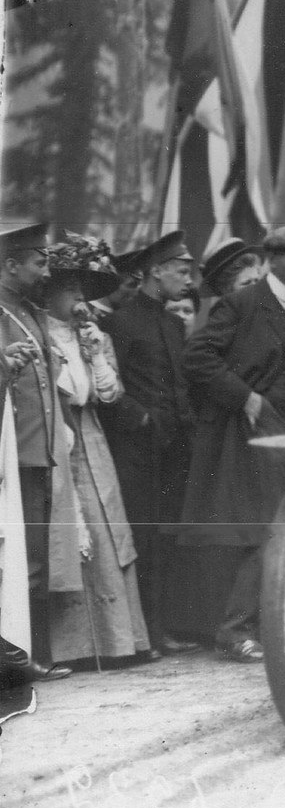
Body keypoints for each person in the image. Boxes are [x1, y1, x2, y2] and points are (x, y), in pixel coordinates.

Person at [183, 226, 285, 663]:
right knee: (268, 529)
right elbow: (197, 358)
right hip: (259, 436)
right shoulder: (244, 303)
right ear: (271, 260)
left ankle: (267, 625)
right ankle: (235, 631)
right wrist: (246, 397)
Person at [43, 238, 152, 668]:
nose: (79, 300)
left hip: (92, 434)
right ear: (50, 294)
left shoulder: (94, 336)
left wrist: (94, 352)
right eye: (70, 290)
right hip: (60, 436)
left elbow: (110, 394)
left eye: (84, 291)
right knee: (74, 529)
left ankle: (121, 640)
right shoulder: (40, 332)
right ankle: (76, 646)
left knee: (109, 528)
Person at [98, 230, 201, 657]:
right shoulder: (119, 322)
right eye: (181, 269)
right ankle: (145, 635)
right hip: (137, 451)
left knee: (170, 536)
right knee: (144, 536)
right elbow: (108, 388)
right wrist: (140, 419)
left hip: (175, 448)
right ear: (155, 272)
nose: (189, 278)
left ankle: (166, 629)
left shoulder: (174, 324)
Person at [0, 221, 76, 677]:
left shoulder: (28, 312)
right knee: (18, 560)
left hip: (40, 452)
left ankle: (34, 656)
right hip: (12, 456)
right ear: (10, 265)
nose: (46, 269)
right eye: (39, 260)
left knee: (37, 559)